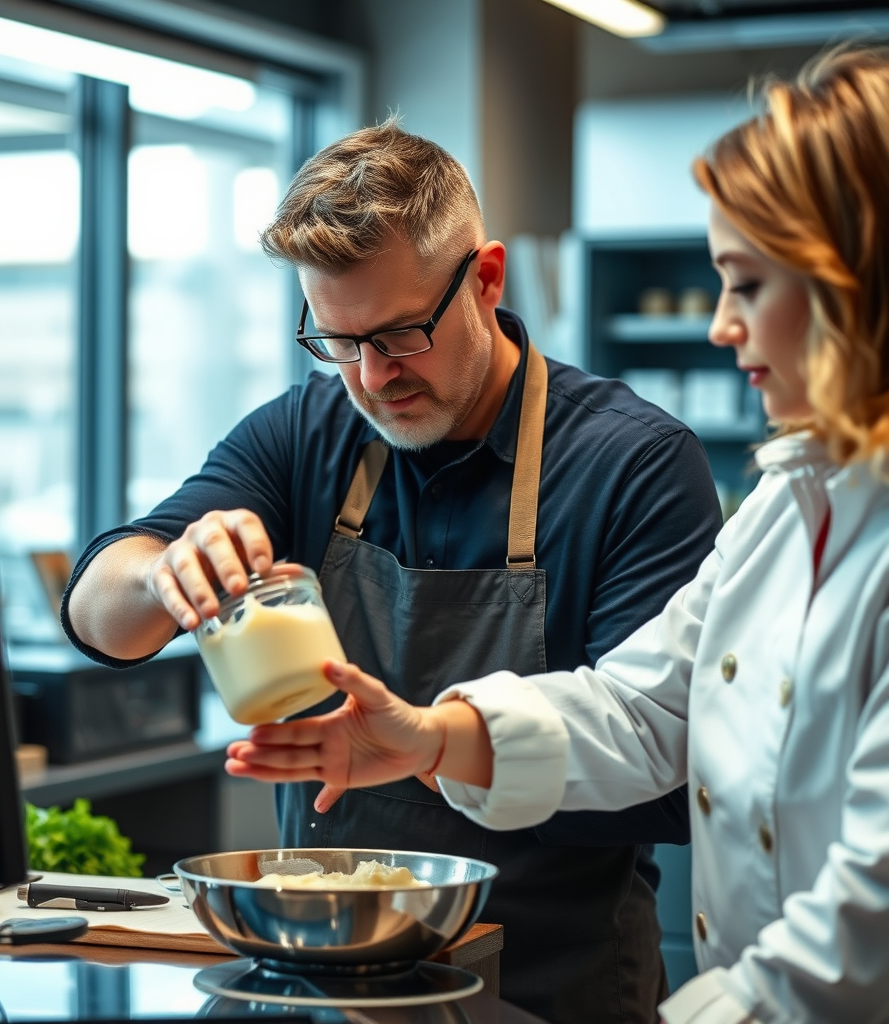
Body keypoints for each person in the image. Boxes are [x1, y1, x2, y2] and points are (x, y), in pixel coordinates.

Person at [224, 44, 889, 1024]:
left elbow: (863, 918)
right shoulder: (788, 513)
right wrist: (425, 739)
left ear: (854, 288)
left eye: (746, 285)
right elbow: (641, 709)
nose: (718, 325)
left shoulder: (642, 458)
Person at [62, 118, 723, 1023]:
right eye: (337, 342)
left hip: (547, 982)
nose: (372, 379)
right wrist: (163, 574)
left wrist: (428, 745)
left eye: (401, 335)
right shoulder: (306, 434)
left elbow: (658, 765)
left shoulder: (633, 463)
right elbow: (102, 616)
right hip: (324, 979)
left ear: (486, 279)